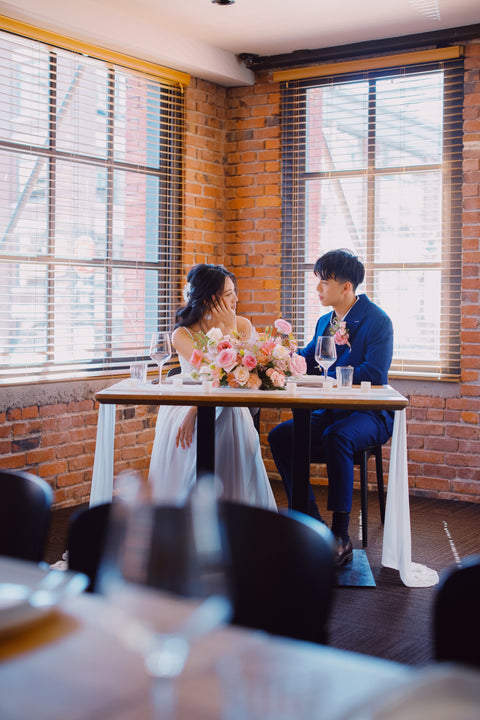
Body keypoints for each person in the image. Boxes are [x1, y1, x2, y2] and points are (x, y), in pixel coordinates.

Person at [268, 249, 394, 566]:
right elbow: (310, 359)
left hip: (368, 415)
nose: (318, 289)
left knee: (337, 436)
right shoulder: (326, 320)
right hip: (330, 413)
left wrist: (328, 375)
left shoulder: (378, 321)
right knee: (281, 437)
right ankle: (311, 524)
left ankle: (341, 536)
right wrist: (282, 356)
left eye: (324, 282)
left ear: (346, 286)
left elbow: (375, 374)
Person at [148, 263, 276, 510]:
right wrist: (195, 409)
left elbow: (235, 380)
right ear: (210, 300)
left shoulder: (243, 325)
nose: (236, 299)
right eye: (229, 295)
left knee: (229, 412)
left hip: (224, 404)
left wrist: (228, 328)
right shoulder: (182, 334)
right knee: (219, 415)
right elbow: (212, 373)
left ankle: (233, 508)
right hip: (187, 403)